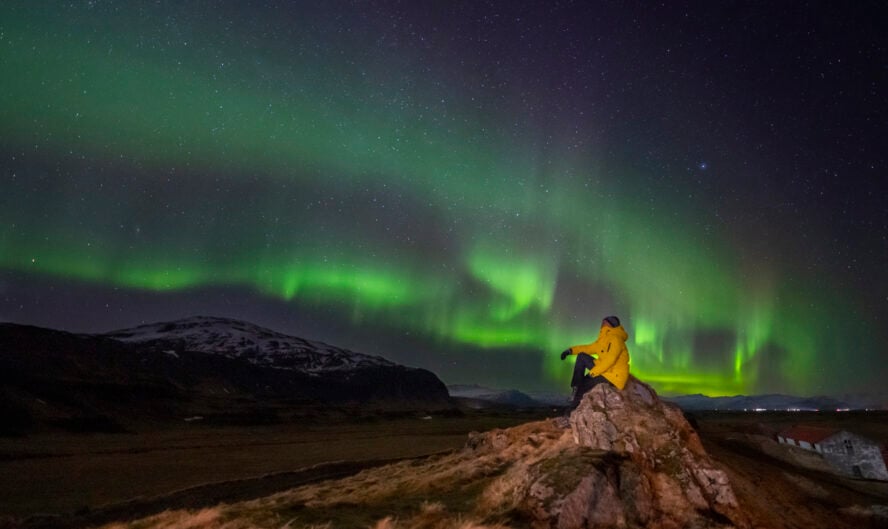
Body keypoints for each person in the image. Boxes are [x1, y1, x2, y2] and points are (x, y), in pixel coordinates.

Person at [560, 315, 630, 411]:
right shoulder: (604, 339)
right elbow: (588, 348)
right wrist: (570, 351)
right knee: (582, 356)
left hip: (613, 376)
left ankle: (570, 413)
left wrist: (593, 373)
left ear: (609, 325)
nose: (601, 325)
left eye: (604, 323)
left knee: (584, 383)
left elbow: (610, 359)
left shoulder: (616, 339)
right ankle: (575, 388)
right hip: (605, 370)